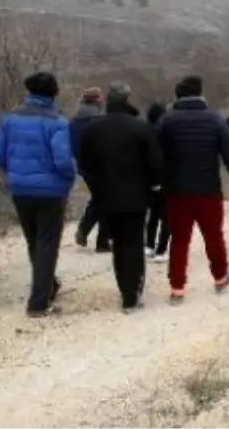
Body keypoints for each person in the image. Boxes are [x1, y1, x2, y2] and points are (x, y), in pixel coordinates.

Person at [0, 72, 75, 318]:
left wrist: (15, 172)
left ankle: (48, 284)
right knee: (47, 243)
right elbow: (62, 160)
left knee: (33, 240)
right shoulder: (57, 122)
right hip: (51, 191)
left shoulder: (8, 120)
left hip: (20, 188)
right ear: (53, 94)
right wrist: (69, 178)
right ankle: (38, 302)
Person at [77, 82, 164, 312]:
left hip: (106, 195)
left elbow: (84, 164)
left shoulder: (93, 130)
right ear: (127, 101)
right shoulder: (140, 128)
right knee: (134, 241)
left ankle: (124, 288)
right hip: (136, 195)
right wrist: (155, 185)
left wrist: (96, 188)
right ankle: (132, 292)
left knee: (117, 243)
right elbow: (155, 162)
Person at [158, 75, 229, 303]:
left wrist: (158, 181)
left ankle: (177, 288)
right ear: (200, 93)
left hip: (177, 191)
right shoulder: (215, 120)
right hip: (208, 190)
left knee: (179, 239)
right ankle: (220, 277)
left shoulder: (167, 121)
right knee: (213, 235)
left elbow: (155, 154)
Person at [71, 88, 110, 253]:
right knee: (107, 200)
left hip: (83, 166)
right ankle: (101, 241)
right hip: (103, 165)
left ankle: (85, 230)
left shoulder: (73, 121)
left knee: (99, 198)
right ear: (98, 101)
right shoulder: (101, 120)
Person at [144, 100, 170, 262]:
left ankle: (149, 245)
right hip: (165, 178)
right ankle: (161, 249)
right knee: (166, 216)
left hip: (148, 180)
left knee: (153, 214)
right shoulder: (166, 132)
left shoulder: (145, 131)